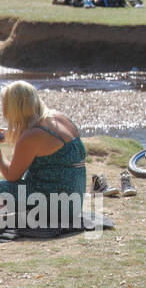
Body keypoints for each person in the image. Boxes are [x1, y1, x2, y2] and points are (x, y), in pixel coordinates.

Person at [1, 81, 104, 234]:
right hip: (74, 202)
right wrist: (11, 134)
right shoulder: (59, 118)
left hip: (54, 203)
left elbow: (12, 176)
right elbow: (46, 144)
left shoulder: (31, 137)